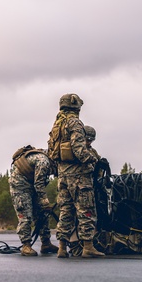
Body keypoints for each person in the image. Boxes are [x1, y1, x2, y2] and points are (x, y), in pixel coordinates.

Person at [48, 93, 104, 259]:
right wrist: (93, 161)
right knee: (86, 210)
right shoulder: (74, 123)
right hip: (78, 175)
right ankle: (88, 247)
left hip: (62, 174)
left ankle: (62, 248)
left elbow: (52, 150)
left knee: (66, 211)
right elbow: (79, 149)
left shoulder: (57, 124)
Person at [8, 146, 58, 256]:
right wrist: (45, 201)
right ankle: (26, 246)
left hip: (31, 185)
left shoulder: (47, 159)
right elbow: (39, 184)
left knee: (43, 213)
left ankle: (46, 243)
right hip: (20, 186)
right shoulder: (43, 162)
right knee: (26, 215)